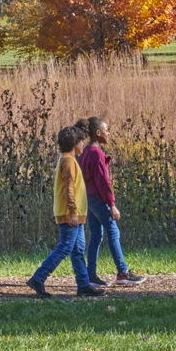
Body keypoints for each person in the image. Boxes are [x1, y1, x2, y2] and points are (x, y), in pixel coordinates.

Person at [27, 126, 106, 299]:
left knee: (77, 250)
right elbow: (69, 188)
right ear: (74, 143)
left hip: (75, 214)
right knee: (65, 247)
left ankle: (83, 285)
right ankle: (38, 278)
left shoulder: (67, 159)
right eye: (81, 141)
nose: (83, 145)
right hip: (70, 214)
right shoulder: (69, 161)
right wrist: (72, 212)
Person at [76, 117, 146, 287]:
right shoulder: (97, 154)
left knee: (96, 236)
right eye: (106, 130)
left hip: (88, 200)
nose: (108, 133)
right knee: (113, 233)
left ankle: (90, 276)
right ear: (97, 133)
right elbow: (104, 183)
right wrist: (112, 205)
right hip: (99, 200)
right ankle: (123, 273)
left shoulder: (84, 152)